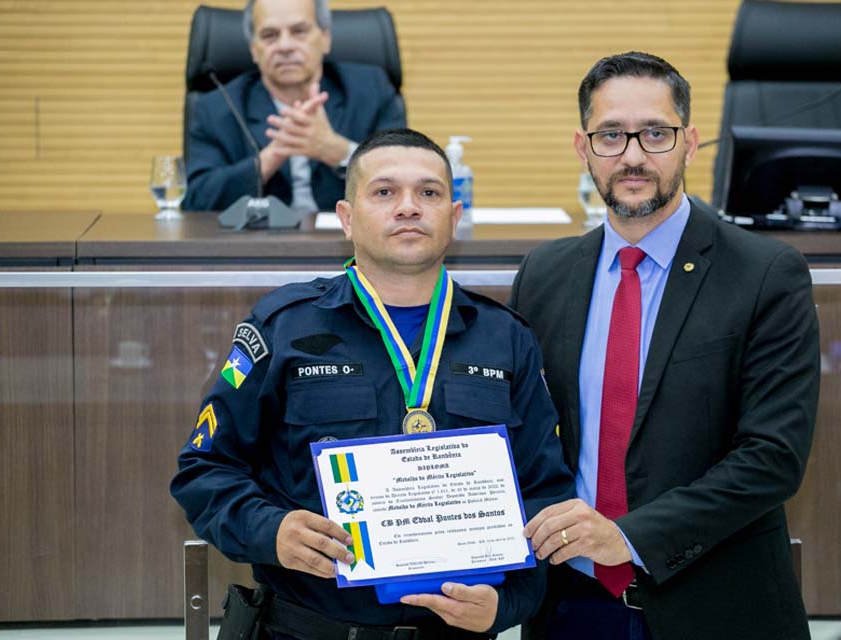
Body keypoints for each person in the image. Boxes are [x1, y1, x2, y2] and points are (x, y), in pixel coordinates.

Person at [171, 128, 573, 640]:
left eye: (429, 193)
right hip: (306, 629)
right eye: (384, 192)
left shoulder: (507, 340)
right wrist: (271, 532)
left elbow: (546, 493)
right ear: (346, 217)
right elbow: (203, 470)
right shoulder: (285, 326)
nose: (408, 207)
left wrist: (507, 604)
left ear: (454, 216)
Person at [508, 51, 821, 640]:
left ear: (690, 142)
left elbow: (773, 456)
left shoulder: (764, 273)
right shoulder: (543, 275)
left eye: (655, 133)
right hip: (569, 605)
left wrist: (627, 536)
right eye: (610, 135)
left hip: (716, 605)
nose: (631, 155)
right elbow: (519, 436)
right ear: (583, 148)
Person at [183, 0, 406, 213]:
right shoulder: (218, 107)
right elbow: (195, 202)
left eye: (299, 31)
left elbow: (405, 178)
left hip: (349, 244)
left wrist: (338, 151)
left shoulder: (369, 90)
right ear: (253, 49)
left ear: (325, 39)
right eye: (270, 35)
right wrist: (269, 158)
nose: (285, 46)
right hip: (258, 248)